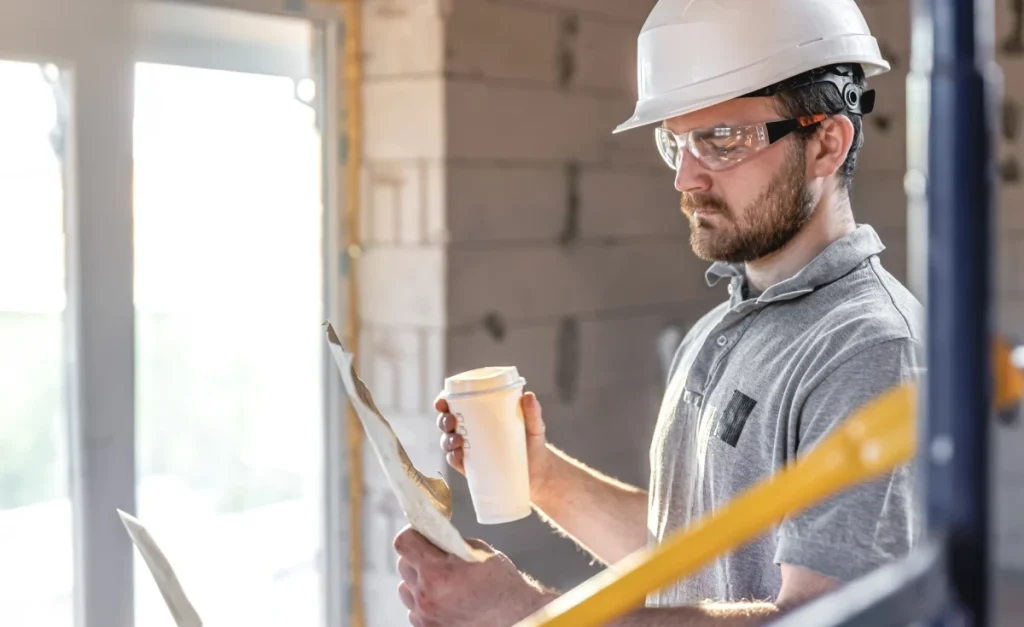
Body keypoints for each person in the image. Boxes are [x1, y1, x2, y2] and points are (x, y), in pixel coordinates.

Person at [393, 0, 923, 624]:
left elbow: (830, 617)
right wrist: (545, 478)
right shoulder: (715, 333)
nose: (687, 178)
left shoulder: (870, 350)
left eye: (722, 139)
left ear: (827, 142)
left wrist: (525, 611)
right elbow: (689, 562)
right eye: (676, 143)